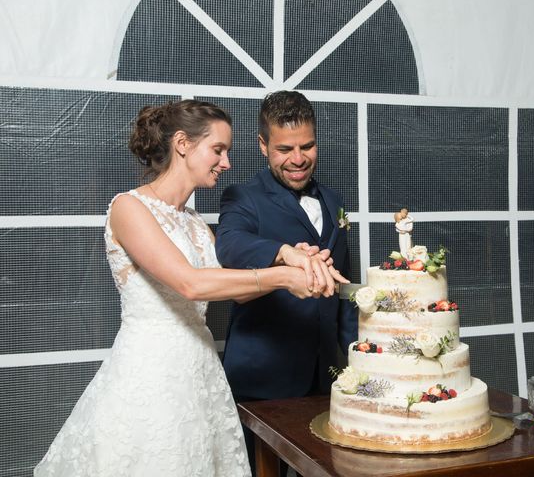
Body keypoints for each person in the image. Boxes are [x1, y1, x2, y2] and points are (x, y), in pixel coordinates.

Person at [33, 100, 345, 477]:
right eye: (218, 150)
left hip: (200, 375)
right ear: (182, 143)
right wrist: (281, 276)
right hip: (151, 376)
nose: (226, 162)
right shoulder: (129, 208)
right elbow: (191, 284)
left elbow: (236, 291)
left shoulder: (195, 223)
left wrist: (290, 260)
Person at [215, 90, 358, 475]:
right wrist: (284, 252)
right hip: (263, 379)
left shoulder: (333, 199)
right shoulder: (243, 197)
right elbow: (230, 246)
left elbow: (343, 290)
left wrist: (359, 359)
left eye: (307, 146)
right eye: (284, 149)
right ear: (262, 145)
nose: (298, 159)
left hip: (328, 377)